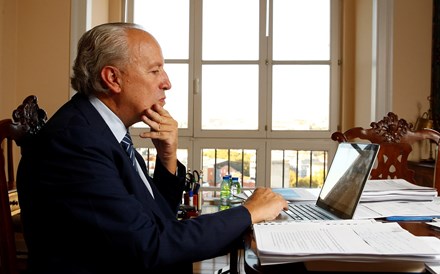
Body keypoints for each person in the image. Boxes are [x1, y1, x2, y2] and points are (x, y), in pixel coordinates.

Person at [16, 22, 287, 274]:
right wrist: (248, 212)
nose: (167, 82)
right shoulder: (75, 142)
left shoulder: (101, 127)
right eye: (155, 70)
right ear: (113, 78)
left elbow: (157, 218)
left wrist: (167, 157)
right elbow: (151, 245)